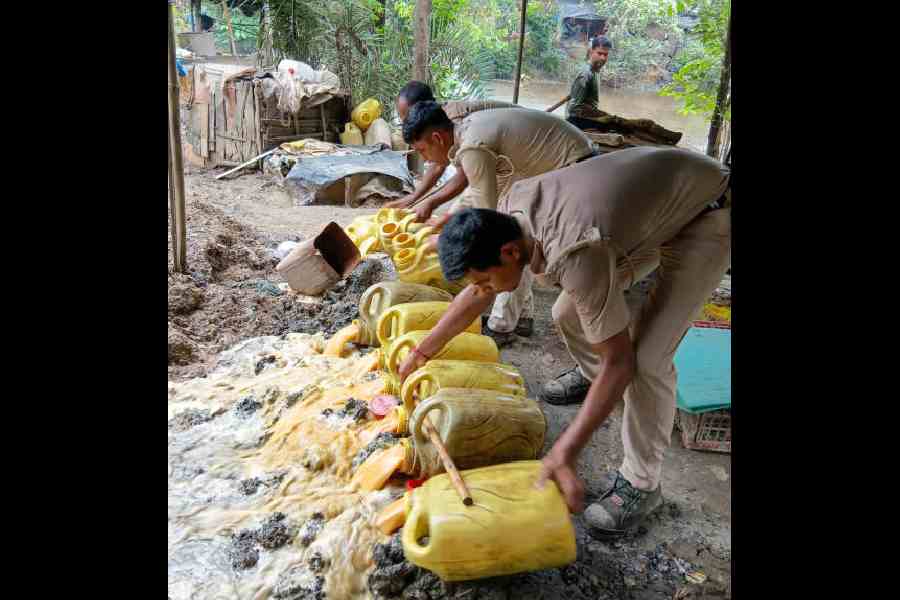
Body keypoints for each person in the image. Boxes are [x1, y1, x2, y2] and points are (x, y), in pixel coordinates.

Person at [396, 146, 730, 537]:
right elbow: (479, 293)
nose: (485, 290)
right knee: (565, 314)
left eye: (486, 279)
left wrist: (564, 453)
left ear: (509, 252)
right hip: (648, 213)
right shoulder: (506, 215)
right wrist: (421, 352)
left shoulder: (575, 253)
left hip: (707, 212)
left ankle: (643, 483)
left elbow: (620, 360)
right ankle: (601, 386)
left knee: (645, 360)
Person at [399, 100, 597, 343]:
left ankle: (501, 326)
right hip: (564, 163)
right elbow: (479, 191)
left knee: (514, 242)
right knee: (515, 232)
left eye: (422, 151)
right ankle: (522, 317)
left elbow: (489, 226)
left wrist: (446, 239)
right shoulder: (465, 131)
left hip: (575, 169)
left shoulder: (472, 147)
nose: (426, 159)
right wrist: (449, 219)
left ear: (438, 139)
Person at [386, 81, 520, 222]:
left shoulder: (458, 129)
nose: (425, 159)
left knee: (492, 213)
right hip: (501, 154)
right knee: (460, 212)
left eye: (408, 117)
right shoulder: (440, 123)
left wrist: (432, 202)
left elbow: (466, 176)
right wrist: (414, 198)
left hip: (523, 158)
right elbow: (439, 164)